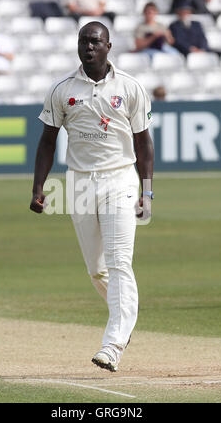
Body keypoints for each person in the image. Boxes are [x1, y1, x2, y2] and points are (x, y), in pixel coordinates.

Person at [30, 22, 154, 372]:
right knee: (97, 270)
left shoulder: (130, 87)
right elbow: (47, 140)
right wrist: (38, 187)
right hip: (80, 183)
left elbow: (144, 143)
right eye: (83, 41)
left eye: (95, 42)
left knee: (118, 261)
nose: (88, 47)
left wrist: (147, 191)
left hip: (120, 180)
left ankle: (113, 344)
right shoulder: (62, 89)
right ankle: (124, 316)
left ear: (108, 46)